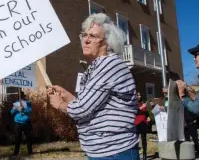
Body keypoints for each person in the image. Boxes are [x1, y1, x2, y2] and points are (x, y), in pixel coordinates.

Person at [46, 13, 139, 160]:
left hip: (114, 151)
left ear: (108, 43)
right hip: (101, 150)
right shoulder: (94, 68)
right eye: (84, 35)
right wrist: (68, 96)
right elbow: (90, 104)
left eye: (93, 36)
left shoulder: (109, 65)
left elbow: (82, 109)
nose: (86, 40)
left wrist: (60, 104)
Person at [10, 91, 33, 156]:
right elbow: (11, 112)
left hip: (26, 122)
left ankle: (30, 151)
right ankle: (16, 152)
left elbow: (30, 111)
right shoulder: (15, 103)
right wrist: (15, 109)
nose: (21, 98)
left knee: (29, 138)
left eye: (22, 96)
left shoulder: (28, 103)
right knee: (17, 138)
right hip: (18, 123)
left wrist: (23, 109)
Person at [135, 92, 151, 160]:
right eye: (138, 95)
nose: (139, 96)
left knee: (144, 140)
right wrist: (141, 108)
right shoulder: (133, 104)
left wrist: (148, 117)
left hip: (143, 123)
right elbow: (135, 112)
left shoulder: (143, 103)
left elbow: (146, 113)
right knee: (136, 140)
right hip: (136, 124)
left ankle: (145, 155)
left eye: (140, 95)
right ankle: (137, 154)